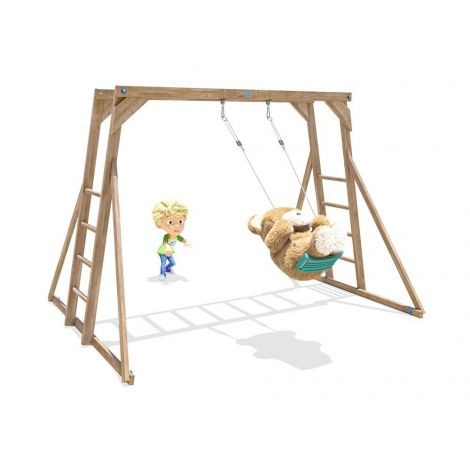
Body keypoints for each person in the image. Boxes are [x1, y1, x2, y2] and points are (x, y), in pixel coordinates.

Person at [152, 200, 190, 280]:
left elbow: (182, 239)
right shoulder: (167, 236)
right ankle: (162, 274)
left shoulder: (177, 236)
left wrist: (186, 243)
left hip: (169, 252)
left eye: (180, 221)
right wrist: (167, 248)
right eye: (170, 222)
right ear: (159, 224)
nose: (177, 226)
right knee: (163, 263)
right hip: (162, 252)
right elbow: (165, 242)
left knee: (173, 263)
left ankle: (167, 268)